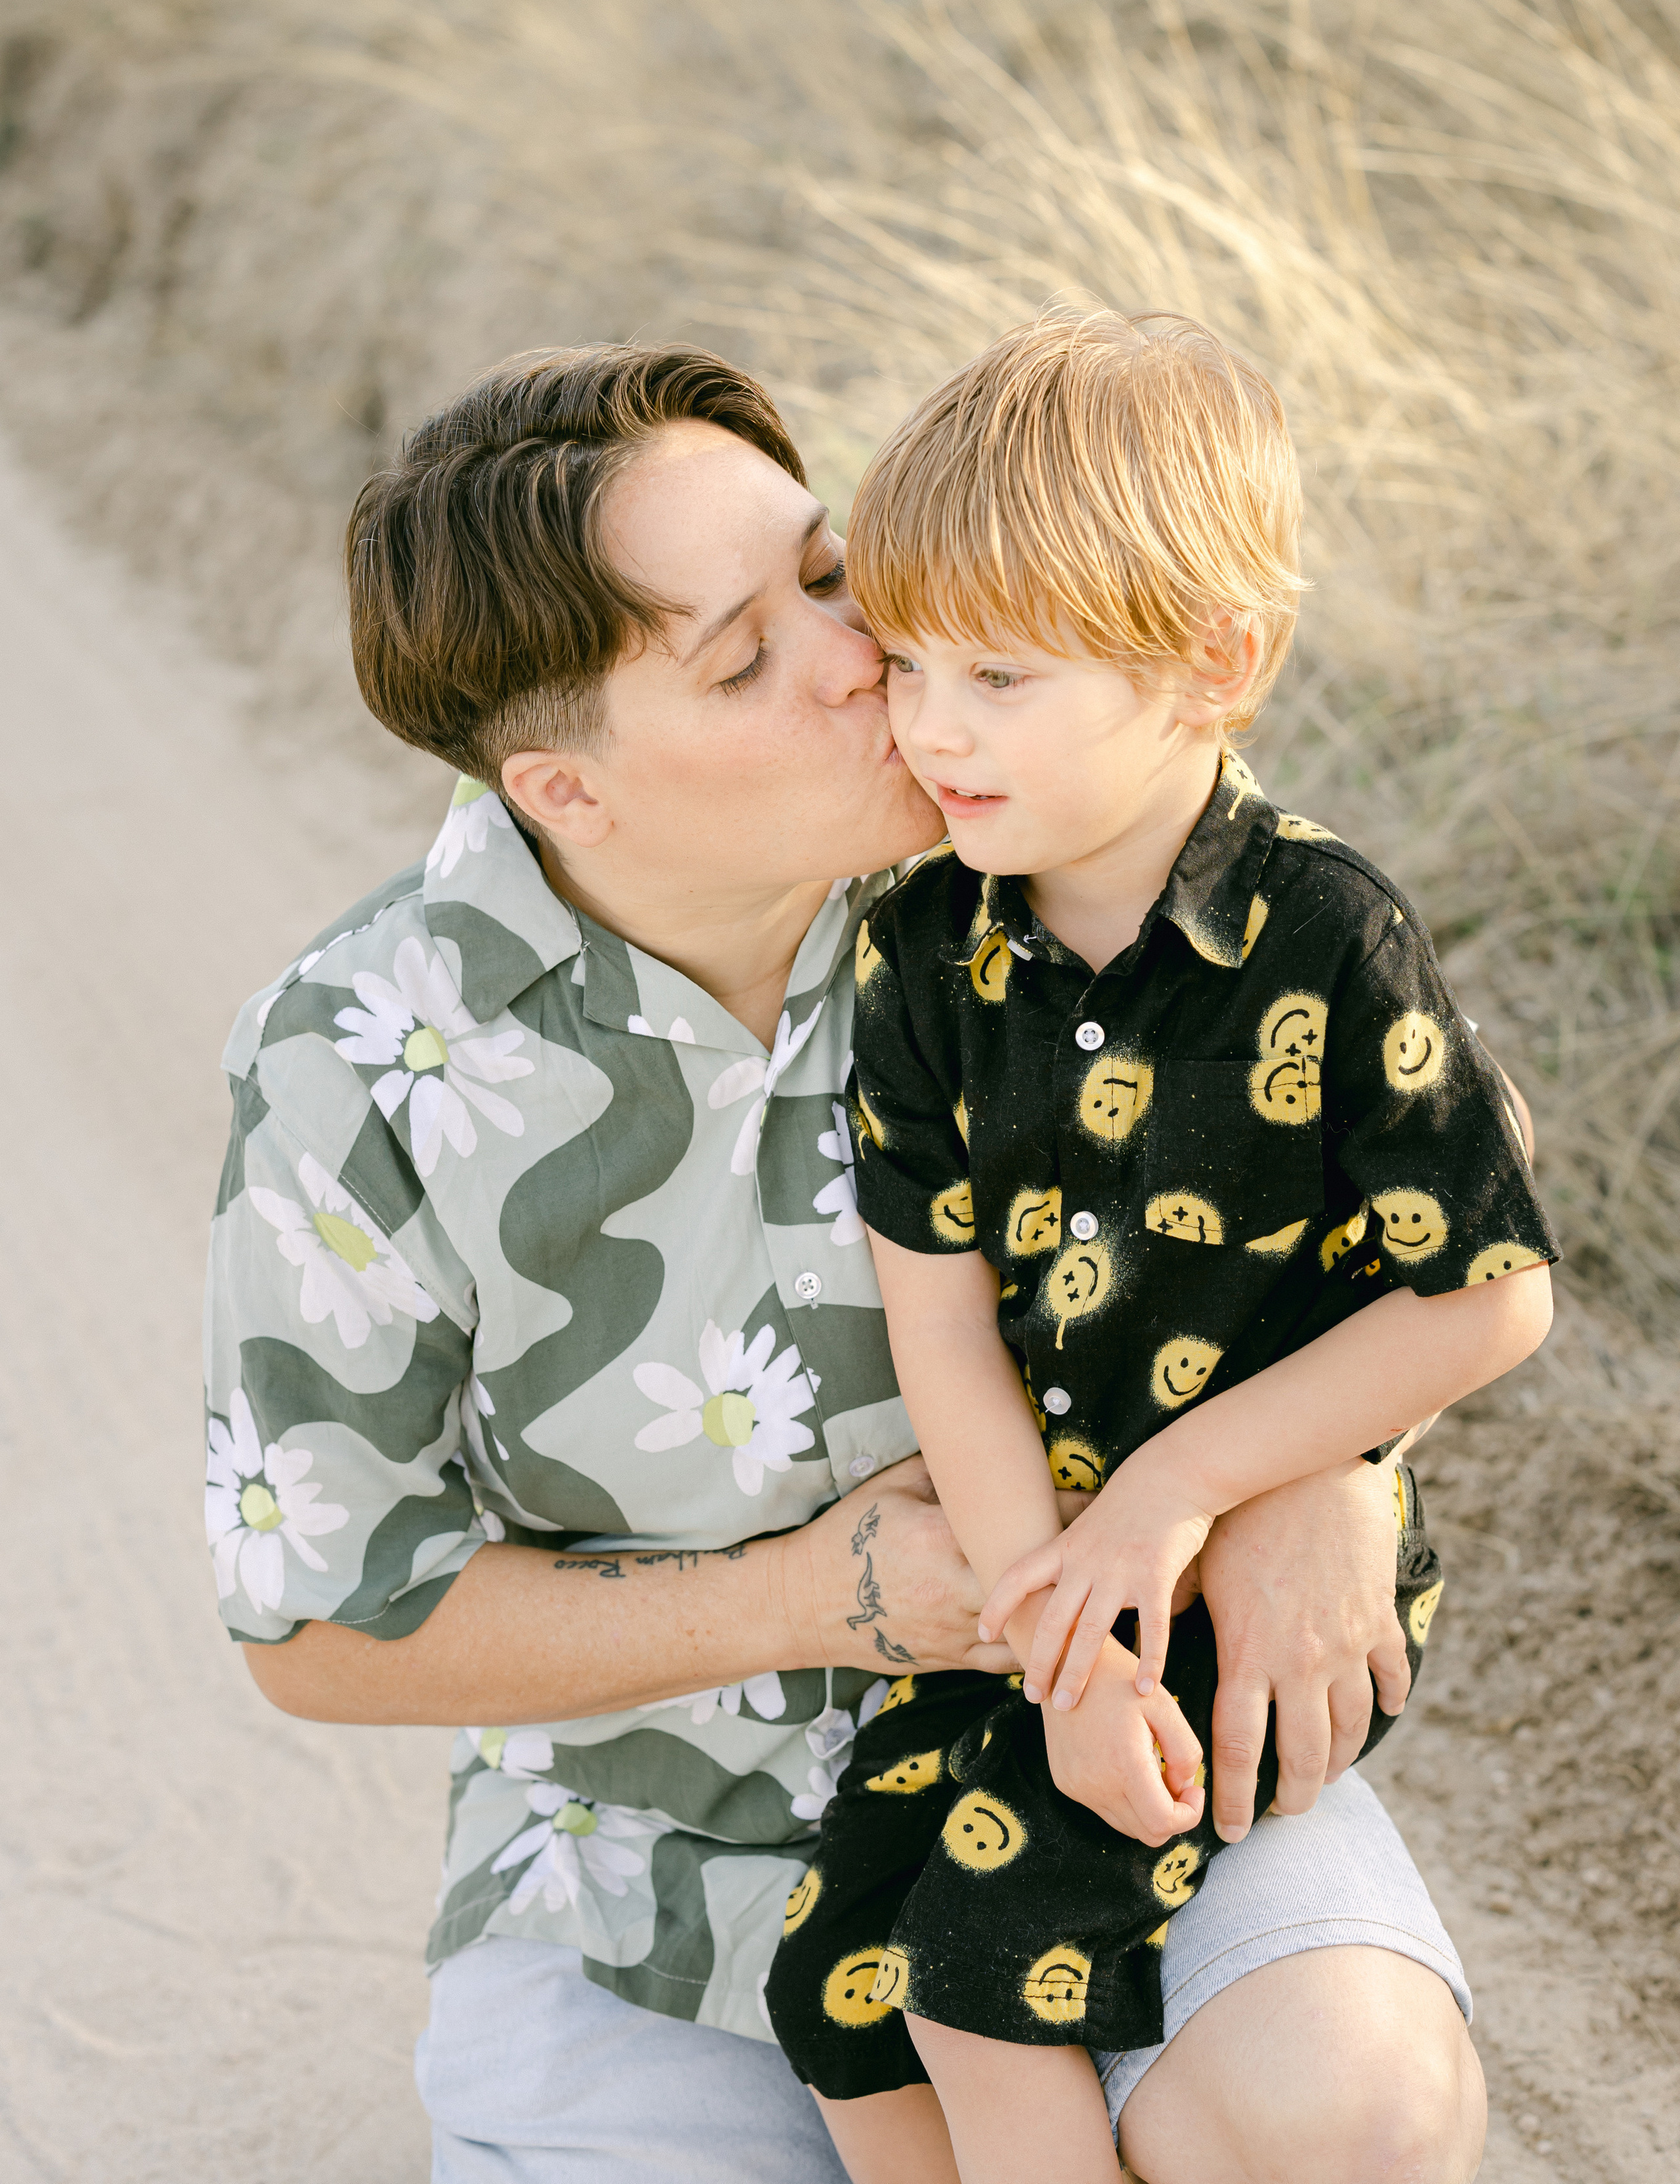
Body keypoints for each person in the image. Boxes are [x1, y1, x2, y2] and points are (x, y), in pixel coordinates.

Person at [205, 340, 1517, 2184]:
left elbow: (1435, 1212)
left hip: (1104, 1766)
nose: (869, 658)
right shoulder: (357, 1062)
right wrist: (809, 1601)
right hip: (649, 1876)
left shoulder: (1034, 840)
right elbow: (322, 1622)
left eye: (827, 573)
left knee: (1352, 2116)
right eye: (746, 658)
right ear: (565, 790)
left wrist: (1331, 1474)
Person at [763, 310, 1556, 2183]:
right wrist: (1059, 1637)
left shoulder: (1325, 938)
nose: (931, 728)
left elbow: (1488, 1298)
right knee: (838, 1994)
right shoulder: (920, 952)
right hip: (1043, 1591)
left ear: (1215, 661)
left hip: (1237, 1585)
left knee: (982, 1988)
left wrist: (1178, 1496)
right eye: (909, 664)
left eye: (1000, 674)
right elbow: (942, 1325)